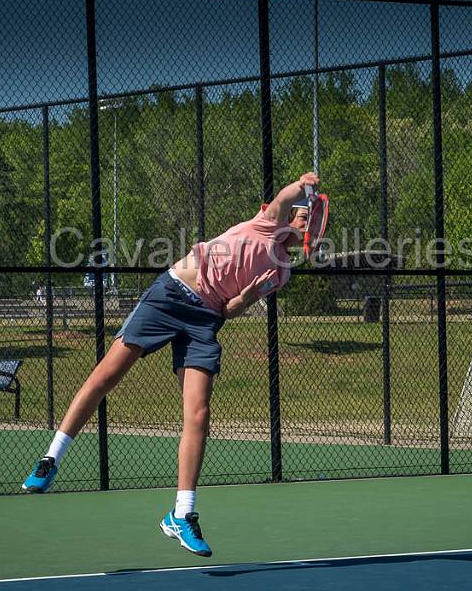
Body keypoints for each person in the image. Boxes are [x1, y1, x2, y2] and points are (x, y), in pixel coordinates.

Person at [22, 172, 321, 557]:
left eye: (308, 217)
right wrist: (304, 184)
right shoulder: (266, 223)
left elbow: (230, 311)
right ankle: (50, 460)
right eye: (300, 213)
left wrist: (245, 298)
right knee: (106, 376)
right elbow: (287, 195)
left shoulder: (280, 274)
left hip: (206, 319)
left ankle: (182, 514)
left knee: (198, 414)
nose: (302, 217)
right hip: (170, 295)